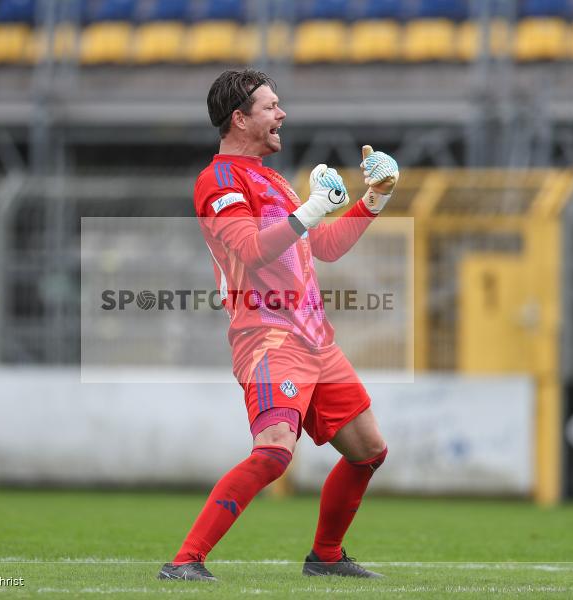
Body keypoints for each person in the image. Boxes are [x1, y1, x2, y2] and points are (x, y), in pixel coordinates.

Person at [158, 69, 400, 582]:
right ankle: (184, 561)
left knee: (368, 451)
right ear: (239, 119)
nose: (281, 114)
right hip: (269, 337)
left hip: (314, 339)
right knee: (272, 452)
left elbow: (323, 247)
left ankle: (326, 558)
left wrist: (374, 199)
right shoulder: (220, 181)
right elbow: (248, 250)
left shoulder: (272, 179)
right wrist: (311, 209)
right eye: (270, 106)